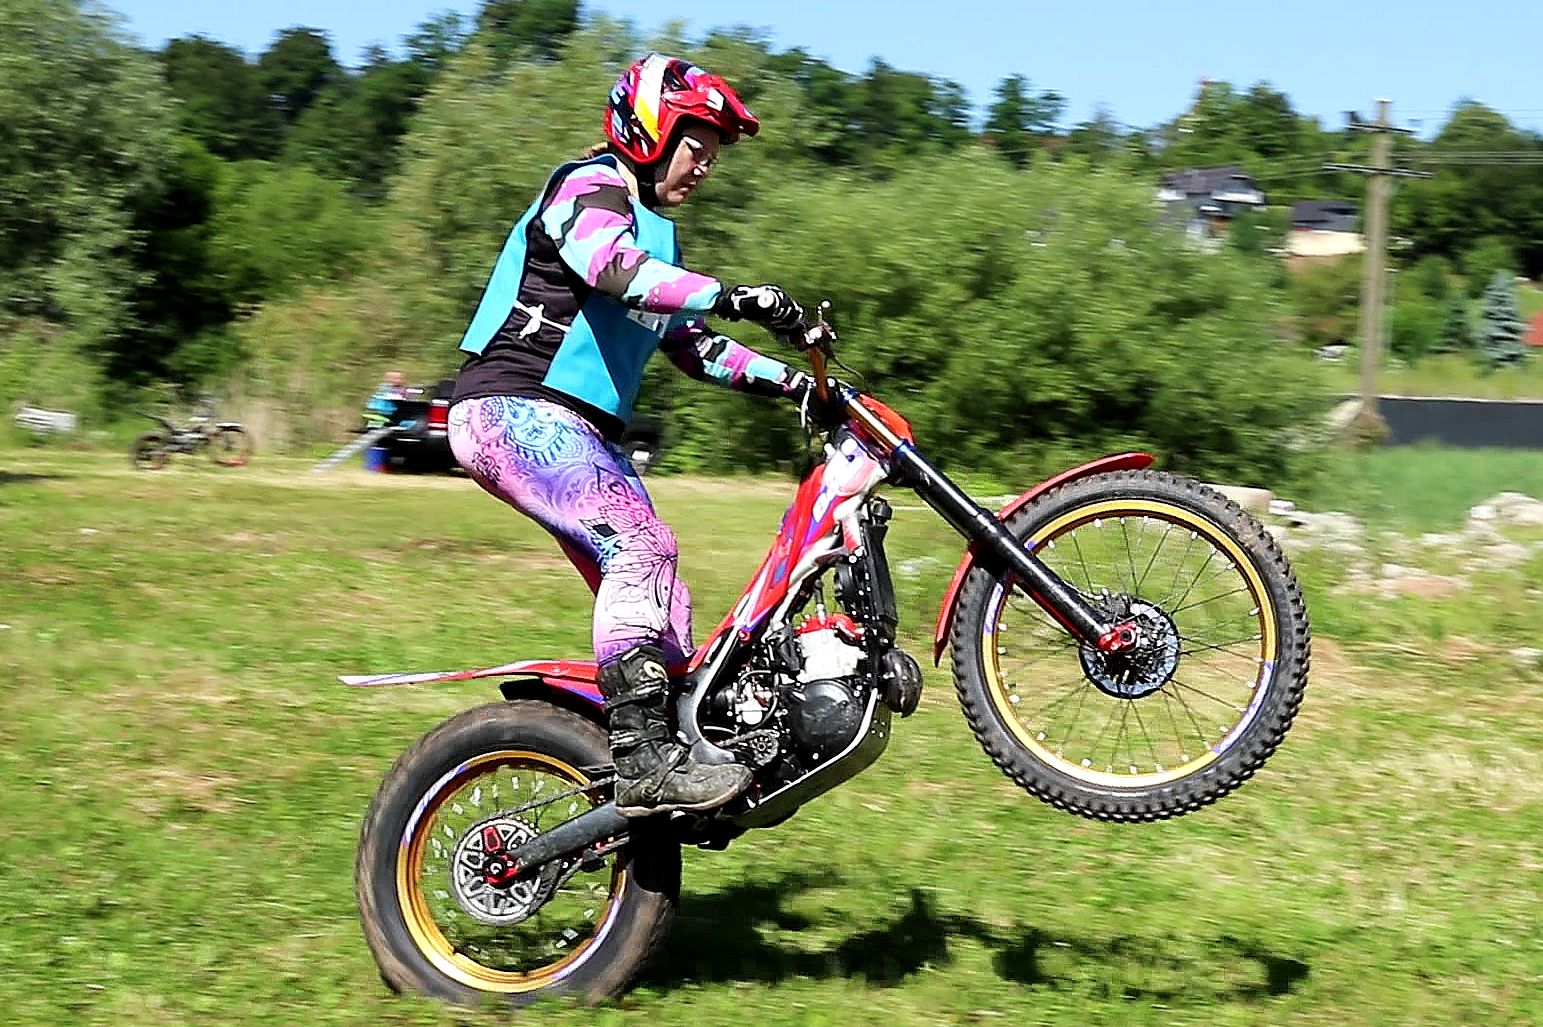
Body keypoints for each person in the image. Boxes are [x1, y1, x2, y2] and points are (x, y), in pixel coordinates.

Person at [447, 53, 823, 817]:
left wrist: (800, 385)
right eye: (696, 146)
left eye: (713, 154)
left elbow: (694, 346)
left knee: (669, 618)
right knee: (642, 546)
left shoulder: (659, 240)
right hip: (514, 406)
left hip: (581, 431)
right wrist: (735, 294)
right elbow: (610, 266)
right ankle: (644, 761)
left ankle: (674, 769)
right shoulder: (587, 186)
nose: (705, 165)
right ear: (649, 131)